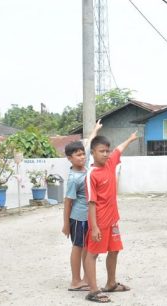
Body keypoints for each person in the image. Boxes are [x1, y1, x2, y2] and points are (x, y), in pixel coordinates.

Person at [83, 132, 139, 303]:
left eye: (107, 151)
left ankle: (111, 284)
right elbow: (91, 203)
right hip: (99, 222)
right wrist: (94, 227)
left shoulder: (110, 163)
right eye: (102, 151)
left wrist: (130, 139)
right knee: (93, 254)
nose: (106, 154)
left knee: (114, 251)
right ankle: (93, 290)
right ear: (93, 152)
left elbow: (118, 149)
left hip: (113, 220)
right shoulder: (91, 174)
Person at [61, 119, 102, 292]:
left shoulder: (84, 167)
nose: (82, 157)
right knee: (77, 248)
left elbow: (87, 144)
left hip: (88, 218)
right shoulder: (73, 178)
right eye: (77, 155)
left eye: (83, 154)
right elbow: (67, 202)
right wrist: (66, 224)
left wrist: (95, 130)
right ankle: (75, 280)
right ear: (69, 159)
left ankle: (86, 278)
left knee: (87, 247)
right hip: (78, 219)